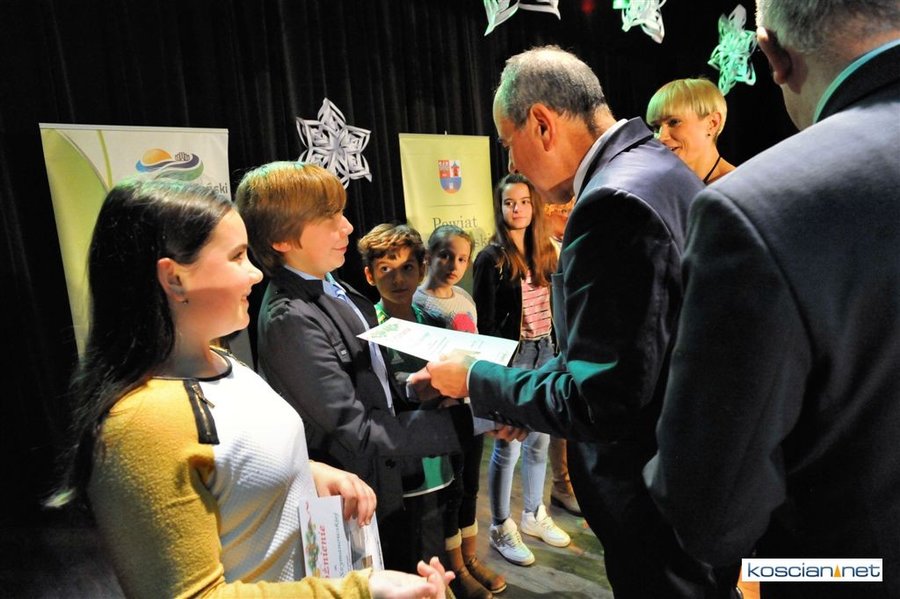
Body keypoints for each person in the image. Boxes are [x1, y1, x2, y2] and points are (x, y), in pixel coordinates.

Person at [46, 178, 452, 598]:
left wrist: (308, 473)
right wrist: (361, 590)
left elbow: (233, 466)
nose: (256, 273)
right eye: (237, 257)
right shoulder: (141, 424)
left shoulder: (222, 362)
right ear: (175, 278)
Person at [427, 46, 735, 598]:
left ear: (542, 124)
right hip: (694, 482)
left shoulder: (612, 202)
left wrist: (474, 378)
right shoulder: (657, 168)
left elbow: (601, 399)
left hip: (653, 501)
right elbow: (619, 357)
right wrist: (522, 399)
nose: (512, 165)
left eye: (507, 142)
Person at [645, 1, 900, 597]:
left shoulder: (755, 207)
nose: (661, 137)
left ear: (773, 53)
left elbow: (709, 511)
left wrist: (764, 572)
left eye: (673, 123)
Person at [234, 162, 473, 575]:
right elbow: (355, 429)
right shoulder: (290, 317)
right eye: (329, 219)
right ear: (281, 239)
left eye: (342, 214)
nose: (346, 227)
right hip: (355, 497)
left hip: (385, 482)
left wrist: (413, 388)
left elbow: (367, 377)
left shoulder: (330, 284)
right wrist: (470, 424)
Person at [359, 223, 505, 599]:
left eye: (407, 267)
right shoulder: (369, 329)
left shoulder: (435, 322)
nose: (398, 279)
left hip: (441, 454)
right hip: (402, 462)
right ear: (369, 275)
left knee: (443, 522)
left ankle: (454, 576)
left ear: (421, 269)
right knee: (410, 553)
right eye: (386, 269)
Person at [472, 173, 569, 569]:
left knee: (540, 441)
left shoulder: (546, 250)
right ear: (500, 208)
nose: (517, 209)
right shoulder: (491, 258)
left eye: (524, 201)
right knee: (508, 445)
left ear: (534, 206)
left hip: (546, 351)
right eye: (509, 202)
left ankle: (533, 512)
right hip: (513, 358)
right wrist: (496, 369)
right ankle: (500, 525)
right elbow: (485, 321)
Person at [413, 225, 498, 599]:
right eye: (445, 255)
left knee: (470, 485)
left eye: (462, 258)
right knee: (453, 487)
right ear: (429, 256)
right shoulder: (419, 302)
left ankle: (471, 557)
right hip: (443, 410)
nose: (453, 265)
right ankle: (455, 568)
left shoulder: (464, 297)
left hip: (471, 407)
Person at [542, 197, 580, 517]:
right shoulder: (543, 248)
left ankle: (567, 484)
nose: (569, 214)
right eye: (563, 209)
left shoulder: (571, 241)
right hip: (544, 345)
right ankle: (560, 485)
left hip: (561, 343)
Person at [645, 77, 736, 184]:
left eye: (674, 122)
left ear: (712, 124)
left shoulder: (739, 188)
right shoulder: (663, 185)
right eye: (656, 127)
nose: (660, 138)